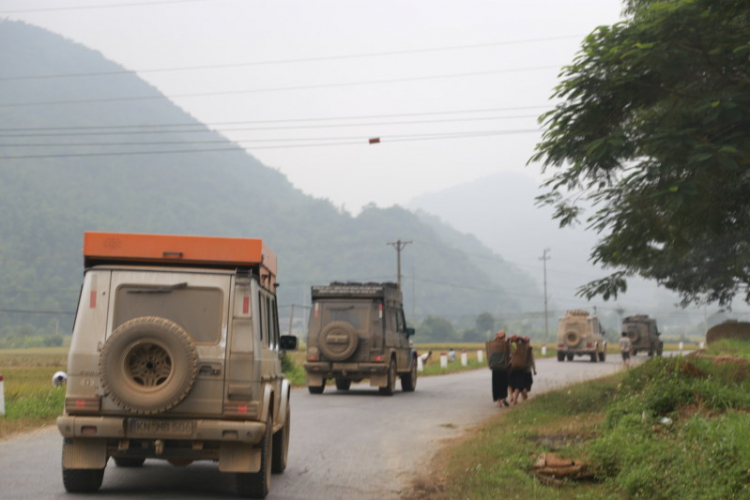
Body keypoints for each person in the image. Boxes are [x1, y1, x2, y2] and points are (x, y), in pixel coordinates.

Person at [487, 330, 510, 408]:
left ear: (504, 335)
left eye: (502, 333)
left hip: (503, 366)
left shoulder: (506, 342)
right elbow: (489, 351)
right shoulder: (493, 343)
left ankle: (504, 399)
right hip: (496, 366)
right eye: (499, 333)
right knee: (496, 384)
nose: (500, 334)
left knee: (504, 383)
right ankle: (498, 401)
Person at [520, 337, 536, 401]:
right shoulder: (529, 349)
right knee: (529, 382)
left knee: (522, 382)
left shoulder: (519, 349)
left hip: (520, 369)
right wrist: (534, 369)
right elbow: (532, 360)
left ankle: (523, 393)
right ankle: (525, 391)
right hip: (528, 369)